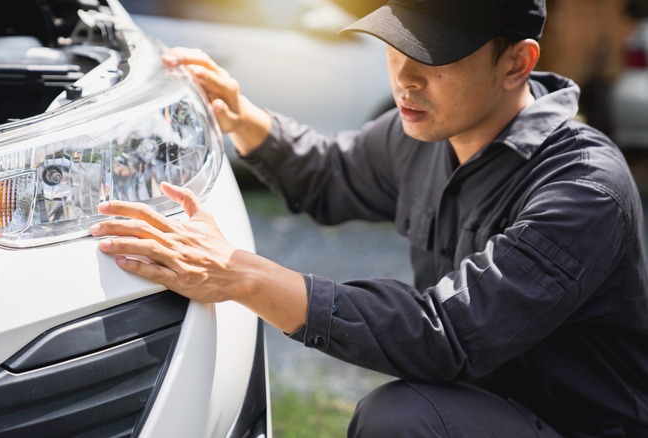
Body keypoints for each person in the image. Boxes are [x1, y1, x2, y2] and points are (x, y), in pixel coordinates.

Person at [90, 0, 648, 436]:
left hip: (573, 426)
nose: (404, 77)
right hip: (483, 408)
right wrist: (241, 116)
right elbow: (332, 173)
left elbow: (446, 334)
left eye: (433, 56)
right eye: (394, 46)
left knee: (403, 419)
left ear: (516, 63)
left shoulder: (582, 188)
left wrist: (241, 275)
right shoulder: (428, 134)